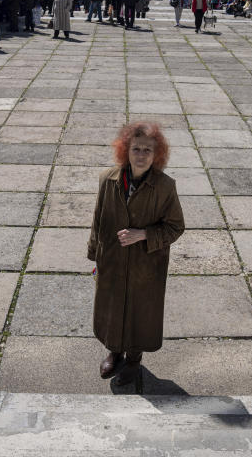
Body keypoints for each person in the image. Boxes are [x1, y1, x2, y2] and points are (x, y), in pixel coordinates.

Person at [89, 122, 185, 387]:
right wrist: (94, 255)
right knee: (112, 307)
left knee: (140, 313)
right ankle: (114, 351)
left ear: (157, 155)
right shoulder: (107, 180)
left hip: (147, 264)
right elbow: (98, 219)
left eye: (147, 150)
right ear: (125, 150)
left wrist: (143, 234)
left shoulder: (165, 186)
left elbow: (176, 226)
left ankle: (133, 359)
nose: (141, 154)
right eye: (136, 148)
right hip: (113, 261)